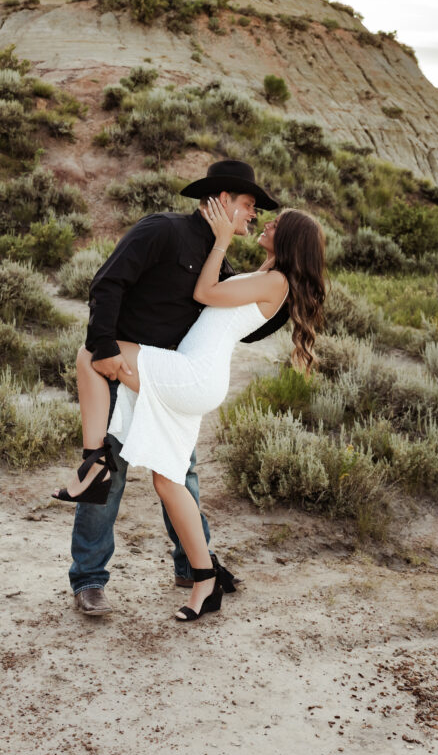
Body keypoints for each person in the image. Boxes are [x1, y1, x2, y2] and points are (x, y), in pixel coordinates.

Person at [54, 190, 327, 622]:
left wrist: (221, 241)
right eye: (254, 209)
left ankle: (93, 465)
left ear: (291, 240)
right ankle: (203, 576)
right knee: (171, 481)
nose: (263, 220)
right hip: (186, 374)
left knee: (92, 355)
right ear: (222, 199)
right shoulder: (251, 269)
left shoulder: (274, 282)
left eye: (275, 222)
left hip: (189, 375)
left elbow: (206, 292)